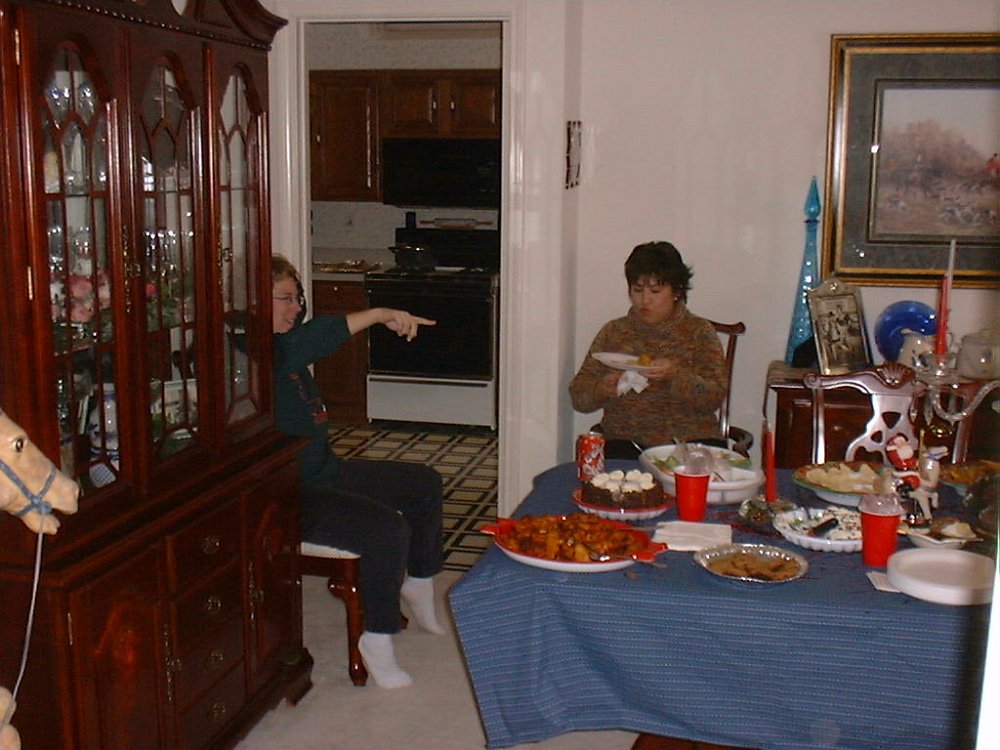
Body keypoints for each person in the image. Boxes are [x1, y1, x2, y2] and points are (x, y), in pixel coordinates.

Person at [272, 255, 445, 689]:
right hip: (289, 496)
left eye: (297, 298)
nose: (296, 308)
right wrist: (381, 313)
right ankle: (377, 637)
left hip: (324, 472)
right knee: (385, 529)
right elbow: (312, 341)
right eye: (286, 299)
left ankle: (419, 582)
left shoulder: (283, 341)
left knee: (424, 484)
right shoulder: (256, 350)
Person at [568, 241, 727, 458]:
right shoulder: (614, 331)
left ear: (677, 291)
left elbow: (714, 397)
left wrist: (675, 376)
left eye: (655, 291)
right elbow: (579, 399)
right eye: (637, 290)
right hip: (625, 443)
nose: (645, 300)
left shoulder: (699, 332)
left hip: (690, 443)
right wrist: (602, 389)